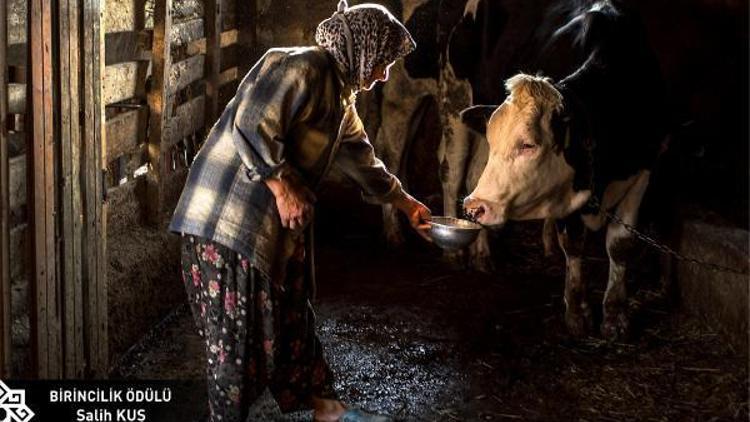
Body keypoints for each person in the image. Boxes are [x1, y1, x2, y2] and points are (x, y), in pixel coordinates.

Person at [168, 1, 431, 421]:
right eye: (382, 62)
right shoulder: (302, 65)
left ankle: (328, 409)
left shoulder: (341, 99)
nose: (383, 75)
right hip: (226, 225)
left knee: (293, 313)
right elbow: (251, 122)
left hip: (265, 232)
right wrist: (282, 184)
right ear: (362, 48)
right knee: (236, 344)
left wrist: (405, 202)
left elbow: (364, 163)